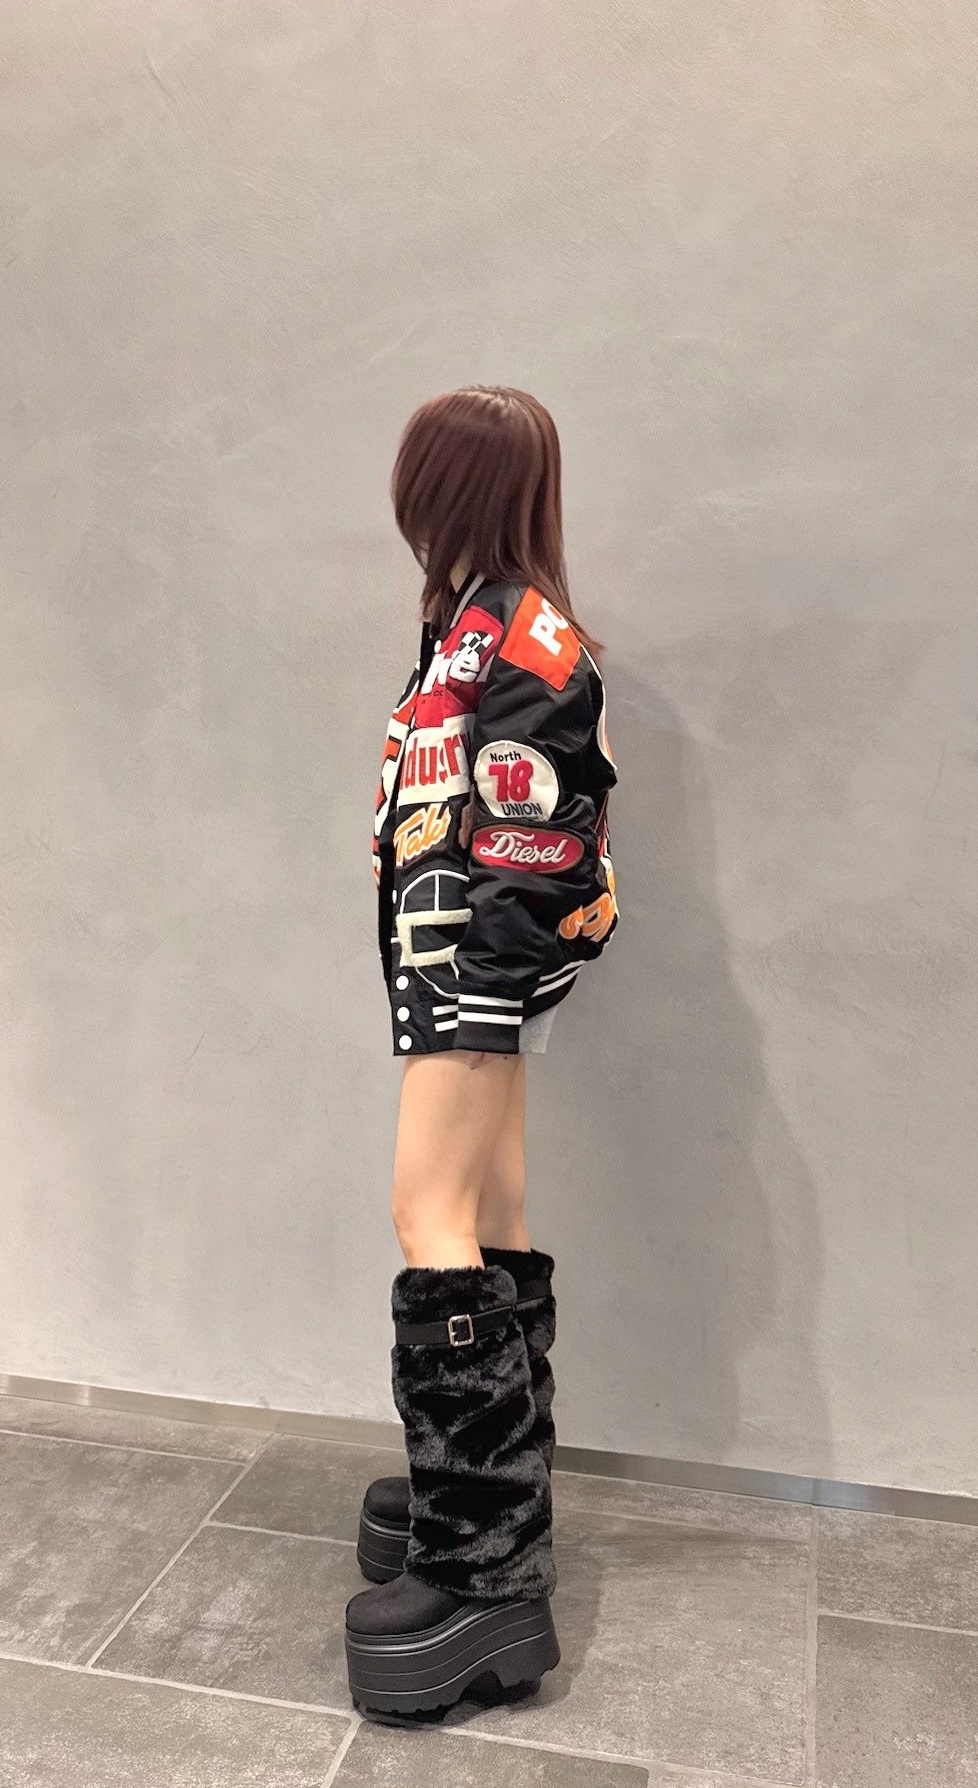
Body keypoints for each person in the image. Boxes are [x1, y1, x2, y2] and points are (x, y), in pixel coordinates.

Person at [344, 386, 618, 1719]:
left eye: (422, 479)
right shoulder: (478, 619)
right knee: (492, 1214)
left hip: (472, 974)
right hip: (461, 969)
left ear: (451, 491)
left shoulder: (524, 639)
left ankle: (482, 1573)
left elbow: (541, 834)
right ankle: (491, 1488)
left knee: (429, 1217)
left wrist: (479, 999)